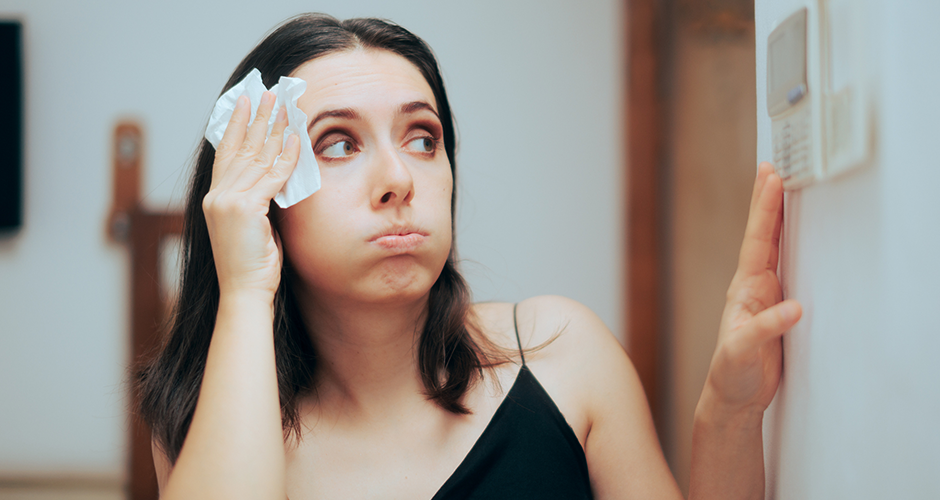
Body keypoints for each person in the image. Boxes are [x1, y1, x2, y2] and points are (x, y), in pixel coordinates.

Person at [135, 13, 801, 500]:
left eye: (423, 137)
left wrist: (729, 414)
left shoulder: (564, 355)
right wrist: (246, 286)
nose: (399, 178)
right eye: (338, 143)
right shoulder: (213, 417)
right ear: (264, 188)